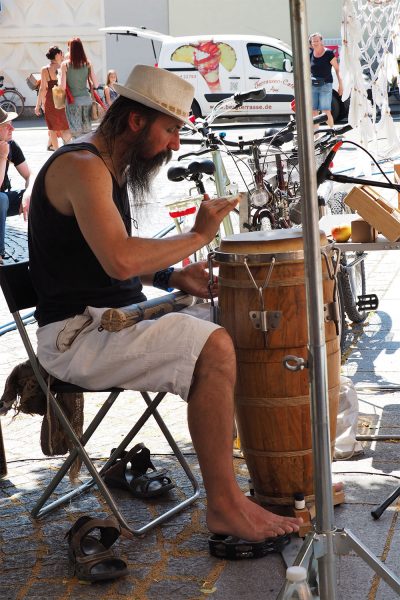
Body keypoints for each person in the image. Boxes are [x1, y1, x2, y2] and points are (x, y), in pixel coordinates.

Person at [28, 65, 301, 541]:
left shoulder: (106, 166)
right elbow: (118, 258)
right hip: (77, 337)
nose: (177, 143)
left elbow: (106, 255)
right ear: (137, 122)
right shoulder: (81, 166)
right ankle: (225, 506)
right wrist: (197, 236)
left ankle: (275, 474)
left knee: (247, 322)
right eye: (171, 129)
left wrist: (171, 276)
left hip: (117, 321)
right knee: (213, 345)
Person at [0, 107, 33, 264]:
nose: (12, 128)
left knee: (40, 193)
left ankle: (43, 249)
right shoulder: (5, 149)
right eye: (7, 126)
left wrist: (29, 192)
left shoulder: (10, 144)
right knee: (1, 199)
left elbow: (29, 175)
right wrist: (2, 157)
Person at [35, 46, 72, 151]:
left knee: (52, 127)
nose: (62, 55)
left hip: (51, 100)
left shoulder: (45, 69)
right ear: (57, 55)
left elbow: (42, 89)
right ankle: (67, 146)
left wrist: (38, 105)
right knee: (66, 125)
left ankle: (56, 151)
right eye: (61, 53)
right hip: (64, 98)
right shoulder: (65, 66)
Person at [60, 37, 98, 138]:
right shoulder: (88, 63)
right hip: (86, 100)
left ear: (70, 49)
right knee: (87, 131)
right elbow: (96, 84)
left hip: (73, 102)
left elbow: (62, 87)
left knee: (76, 133)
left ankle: (78, 151)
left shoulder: (65, 65)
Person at [309, 32, 343, 128]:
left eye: (317, 41)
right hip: (313, 86)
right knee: (313, 111)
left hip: (326, 85)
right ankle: (316, 135)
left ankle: (332, 132)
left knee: (325, 111)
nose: (315, 43)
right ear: (311, 43)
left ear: (321, 41)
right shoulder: (310, 54)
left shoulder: (328, 53)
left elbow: (337, 69)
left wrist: (341, 85)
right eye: (313, 41)